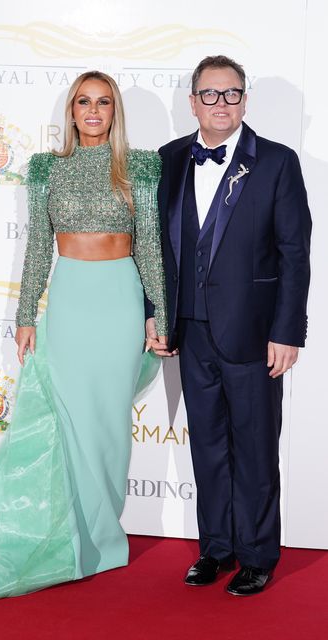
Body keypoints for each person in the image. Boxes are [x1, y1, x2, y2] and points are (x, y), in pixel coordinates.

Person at [0, 71, 166, 604]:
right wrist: (26, 314)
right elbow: (35, 248)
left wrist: (158, 312)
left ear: (114, 111)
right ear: (70, 111)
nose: (93, 111)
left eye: (103, 102)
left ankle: (102, 536)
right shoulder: (47, 168)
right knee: (68, 422)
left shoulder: (139, 165)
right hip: (69, 302)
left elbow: (150, 247)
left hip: (119, 300)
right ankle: (71, 537)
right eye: (82, 102)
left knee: (109, 424)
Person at [148, 55, 311, 595]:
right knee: (209, 447)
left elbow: (295, 253)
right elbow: (156, 250)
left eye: (232, 94)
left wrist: (288, 330)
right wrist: (157, 314)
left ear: (245, 100)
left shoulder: (278, 162)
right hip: (190, 333)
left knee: (257, 448)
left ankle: (259, 554)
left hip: (254, 334)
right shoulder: (169, 159)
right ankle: (215, 548)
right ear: (192, 101)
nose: (222, 104)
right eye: (210, 94)